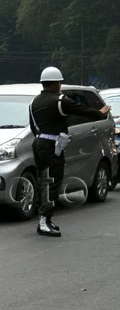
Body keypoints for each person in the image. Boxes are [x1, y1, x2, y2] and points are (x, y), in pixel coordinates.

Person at [30, 66, 110, 237]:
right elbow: (80, 109)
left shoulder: (34, 102)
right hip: (52, 146)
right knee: (52, 182)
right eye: (59, 82)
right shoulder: (60, 101)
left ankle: (45, 219)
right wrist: (99, 113)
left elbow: (33, 126)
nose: (59, 85)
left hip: (39, 144)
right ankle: (44, 221)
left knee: (44, 180)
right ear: (55, 83)